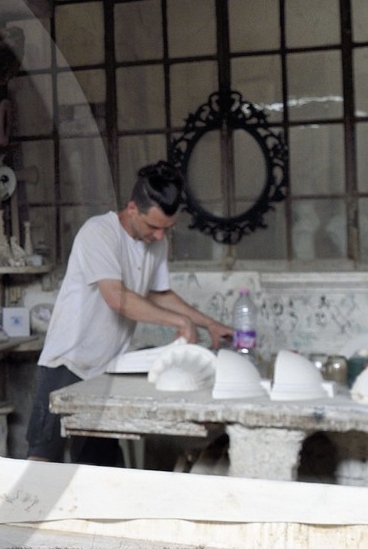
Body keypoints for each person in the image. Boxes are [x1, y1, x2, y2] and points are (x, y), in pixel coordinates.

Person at [25, 160, 230, 466]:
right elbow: (117, 298)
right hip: (66, 363)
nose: (160, 236)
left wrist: (209, 324)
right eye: (154, 227)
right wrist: (180, 322)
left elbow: (159, 294)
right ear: (133, 208)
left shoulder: (154, 243)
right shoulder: (98, 233)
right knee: (43, 458)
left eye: (167, 229)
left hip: (105, 370)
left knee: (101, 466)